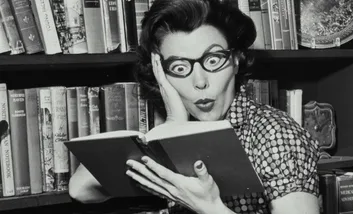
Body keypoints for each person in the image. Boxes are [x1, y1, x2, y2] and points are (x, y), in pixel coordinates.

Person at [69, 0, 321, 213]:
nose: (199, 81)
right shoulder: (167, 132)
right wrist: (174, 126)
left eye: (213, 60)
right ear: (161, 74)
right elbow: (80, 190)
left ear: (234, 60)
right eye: (179, 68)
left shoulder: (275, 134)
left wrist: (210, 207)